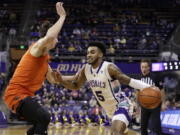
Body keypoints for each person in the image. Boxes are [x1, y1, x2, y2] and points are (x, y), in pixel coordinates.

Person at [54, 42, 155, 135]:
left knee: (115, 132)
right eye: (88, 52)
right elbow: (76, 86)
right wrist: (61, 81)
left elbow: (129, 81)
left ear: (100, 54)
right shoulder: (86, 69)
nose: (88, 55)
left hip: (122, 105)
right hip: (109, 110)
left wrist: (150, 87)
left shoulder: (109, 68)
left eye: (92, 52)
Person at [4, 2, 66, 135]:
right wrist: (62, 17)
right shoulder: (36, 47)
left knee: (40, 122)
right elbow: (50, 36)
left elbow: (53, 80)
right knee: (44, 117)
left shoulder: (45, 59)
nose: (57, 41)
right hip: (16, 94)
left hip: (24, 96)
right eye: (57, 38)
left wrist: (62, 78)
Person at [140, 59, 165, 135]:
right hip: (144, 105)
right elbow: (137, 91)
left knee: (156, 126)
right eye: (142, 67)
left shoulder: (155, 77)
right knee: (143, 127)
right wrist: (137, 104)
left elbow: (162, 90)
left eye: (145, 67)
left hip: (155, 105)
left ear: (149, 67)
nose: (143, 69)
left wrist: (163, 103)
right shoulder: (139, 78)